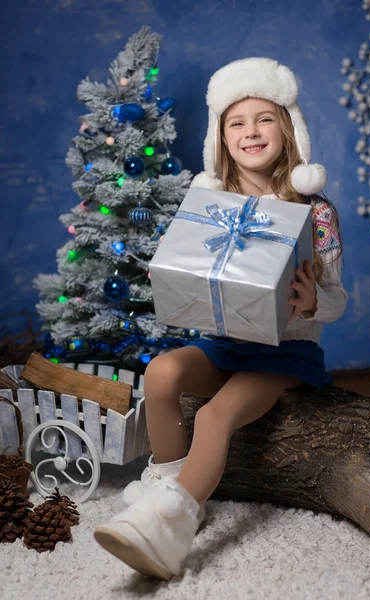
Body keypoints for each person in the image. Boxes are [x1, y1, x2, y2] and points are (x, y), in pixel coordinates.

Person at [94, 57, 348, 581]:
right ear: (222, 138)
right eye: (237, 122)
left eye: (264, 118)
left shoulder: (313, 211)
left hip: (285, 353)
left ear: (288, 128)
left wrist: (311, 301)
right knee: (161, 373)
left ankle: (171, 529)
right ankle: (166, 493)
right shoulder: (208, 205)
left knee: (213, 416)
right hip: (225, 346)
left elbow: (339, 300)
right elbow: (189, 280)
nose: (251, 131)